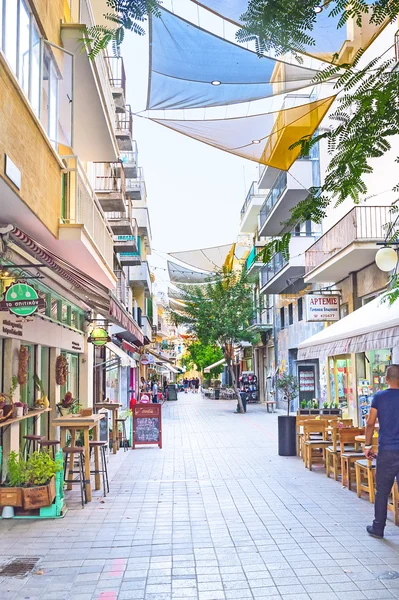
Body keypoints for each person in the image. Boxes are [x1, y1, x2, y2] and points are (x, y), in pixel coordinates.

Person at [365, 364, 399, 538]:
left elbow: (370, 423)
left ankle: (378, 528)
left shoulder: (379, 397)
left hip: (387, 450)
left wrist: (368, 445)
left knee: (382, 491)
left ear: (386, 379)